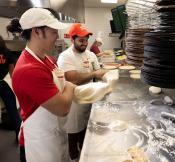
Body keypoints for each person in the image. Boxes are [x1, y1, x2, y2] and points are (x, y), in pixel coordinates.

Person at [12, 8, 76, 162]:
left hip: (54, 134)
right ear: (37, 32)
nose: (57, 36)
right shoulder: (29, 69)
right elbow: (62, 108)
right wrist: (71, 86)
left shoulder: (46, 59)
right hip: (40, 143)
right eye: (54, 32)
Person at [57, 23, 107, 160]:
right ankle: (74, 158)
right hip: (74, 104)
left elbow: (99, 71)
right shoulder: (65, 56)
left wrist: (108, 78)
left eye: (86, 40)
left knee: (86, 131)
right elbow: (73, 79)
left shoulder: (91, 55)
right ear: (72, 40)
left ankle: (85, 154)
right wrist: (94, 74)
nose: (84, 43)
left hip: (89, 101)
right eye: (81, 40)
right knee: (73, 134)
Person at [0, 35, 22, 142]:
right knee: (13, 110)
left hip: (3, 83)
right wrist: (15, 84)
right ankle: (19, 136)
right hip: (4, 83)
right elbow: (12, 70)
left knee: (13, 111)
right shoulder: (6, 51)